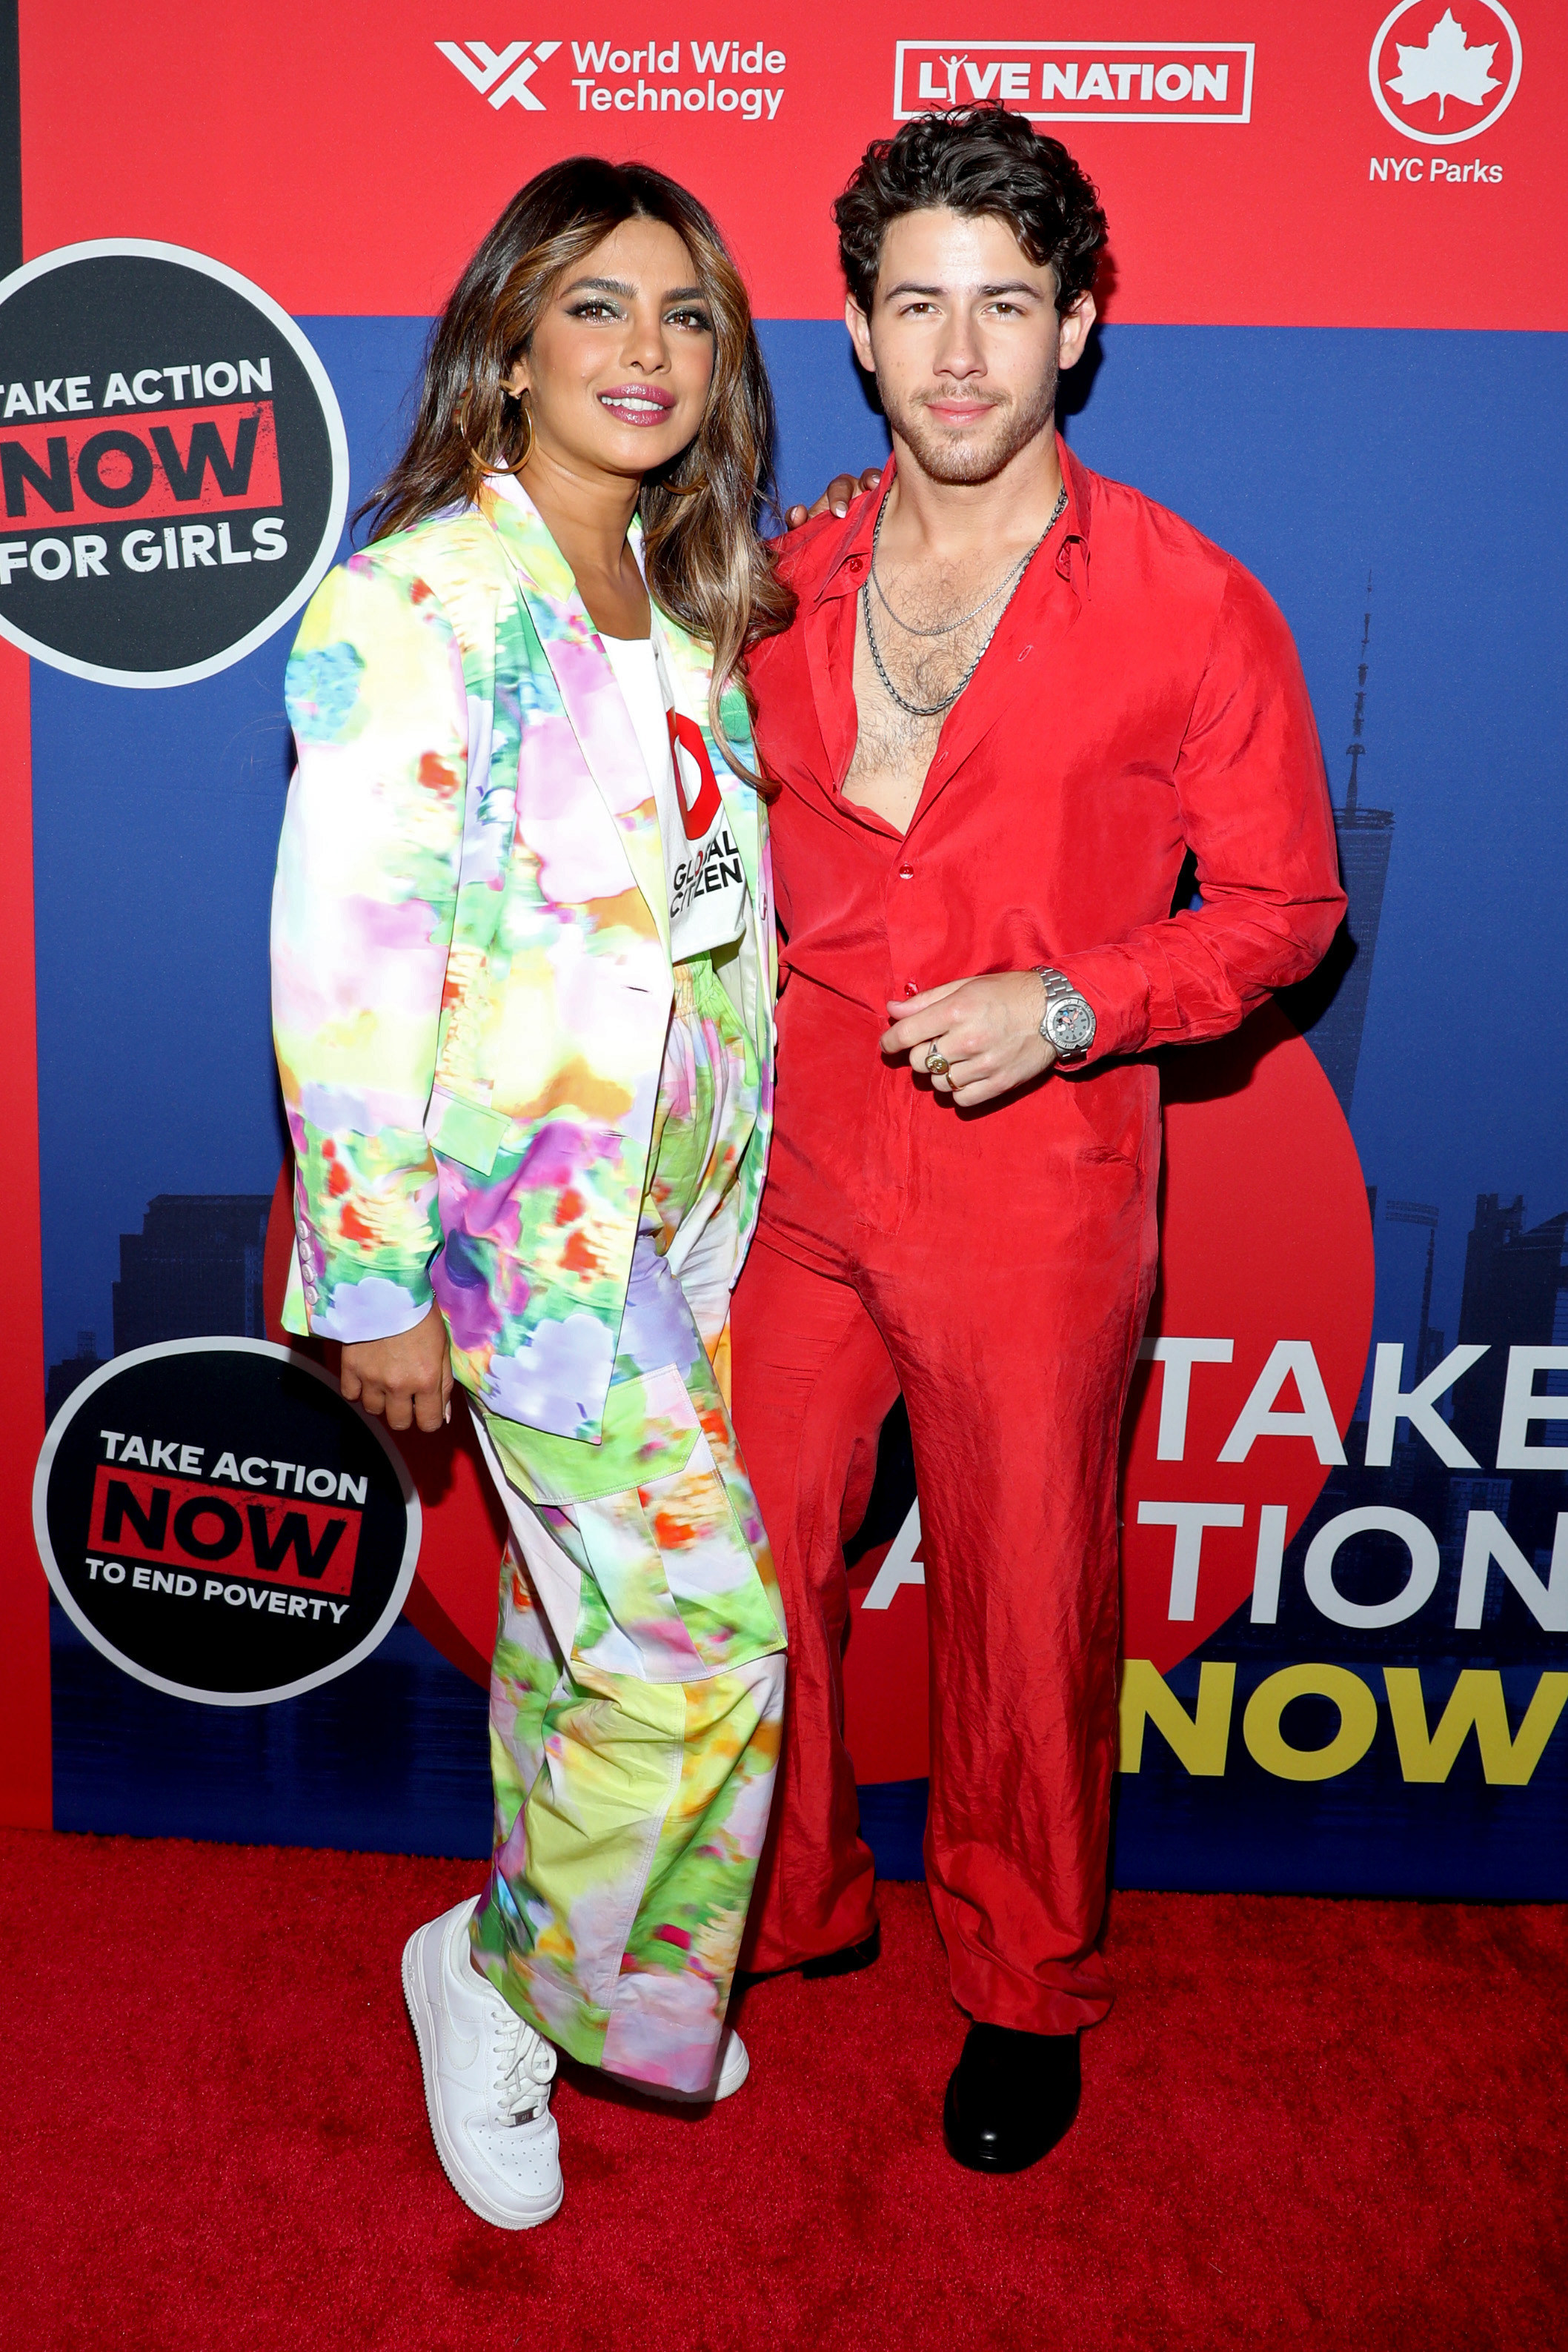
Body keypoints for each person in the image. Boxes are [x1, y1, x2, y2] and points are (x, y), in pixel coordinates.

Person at [731, 107, 1346, 2173]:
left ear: (1079, 328)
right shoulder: (777, 573)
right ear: (856, 329)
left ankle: (1018, 1986)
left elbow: (1281, 914)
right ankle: (783, 1908)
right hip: (788, 1161)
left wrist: (1077, 998)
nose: (962, 354)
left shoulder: (1192, 603)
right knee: (743, 1561)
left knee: (1020, 1605)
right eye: (919, 306)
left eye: (1007, 305)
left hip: (1035, 1180)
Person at [270, 157, 793, 2230]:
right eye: (597, 307)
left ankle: (623, 1966)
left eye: (684, 316)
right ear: (507, 341)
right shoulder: (416, 602)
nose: (646, 351)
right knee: (700, 1638)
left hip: (665, 1220)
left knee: (592, 1639)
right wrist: (374, 1278)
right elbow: (346, 954)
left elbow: (697, 925)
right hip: (507, 1238)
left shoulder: (677, 599)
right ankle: (497, 1983)